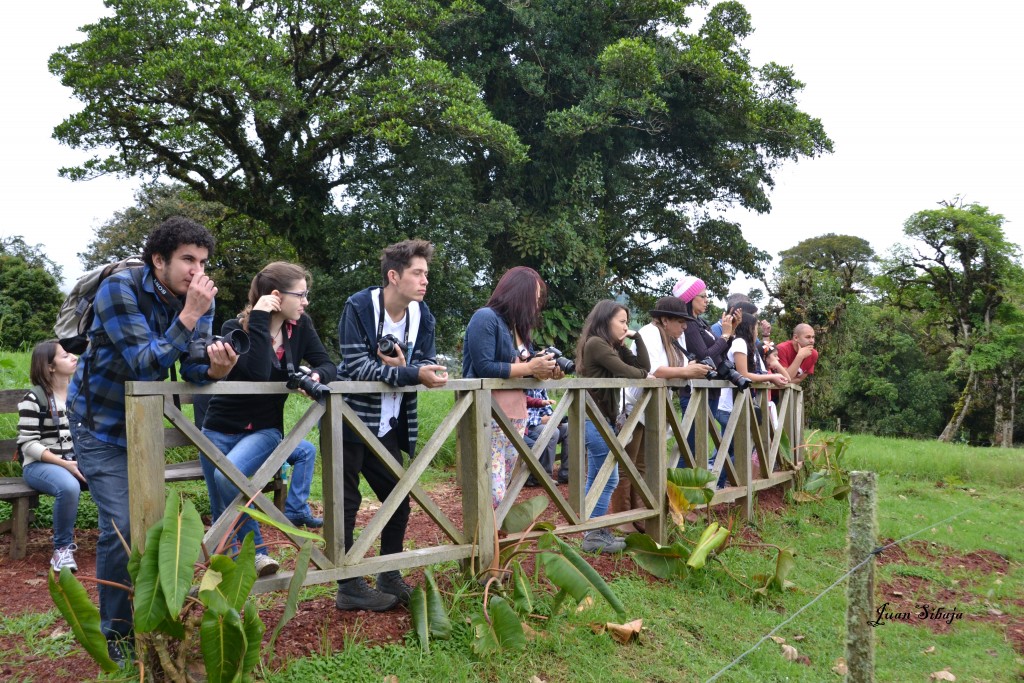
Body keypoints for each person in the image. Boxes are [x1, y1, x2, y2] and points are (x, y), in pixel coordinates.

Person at [66, 217, 238, 660]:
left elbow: (193, 368)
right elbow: (144, 363)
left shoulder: (199, 300)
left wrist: (216, 368)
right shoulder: (119, 290)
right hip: (98, 424)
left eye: (203, 262)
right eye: (187, 259)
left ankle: (151, 616)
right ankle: (117, 635)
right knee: (123, 525)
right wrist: (190, 315)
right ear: (159, 260)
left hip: (144, 428)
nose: (197, 271)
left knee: (149, 522)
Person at [200, 261, 337, 578]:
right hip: (217, 428)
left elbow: (327, 363)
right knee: (221, 509)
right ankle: (229, 577)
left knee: (227, 479)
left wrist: (316, 375)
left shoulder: (301, 327)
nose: (305, 302)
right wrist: (261, 318)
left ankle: (258, 554)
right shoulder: (234, 328)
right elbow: (258, 370)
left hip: (265, 430)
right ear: (276, 296)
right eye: (300, 295)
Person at [336, 240, 448, 611]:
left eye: (426, 273)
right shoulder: (359, 306)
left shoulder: (422, 313)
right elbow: (357, 368)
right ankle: (348, 584)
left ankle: (390, 573)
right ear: (394, 276)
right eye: (417, 273)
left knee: (398, 500)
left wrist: (414, 369)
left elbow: (427, 360)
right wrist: (409, 372)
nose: (425, 280)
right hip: (350, 419)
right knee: (346, 504)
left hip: (389, 423)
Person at [463, 267, 559, 508]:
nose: (536, 305)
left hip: (516, 416)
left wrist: (545, 370)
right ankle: (486, 532)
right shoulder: (486, 317)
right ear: (519, 293)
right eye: (534, 298)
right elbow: (484, 366)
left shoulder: (518, 328)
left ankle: (494, 532)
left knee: (503, 487)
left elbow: (523, 370)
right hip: (487, 414)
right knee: (492, 492)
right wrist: (529, 367)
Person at [614, 297, 708, 528]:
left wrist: (691, 369)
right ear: (665, 320)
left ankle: (640, 516)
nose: (684, 327)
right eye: (680, 322)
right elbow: (654, 369)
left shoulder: (671, 339)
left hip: (651, 408)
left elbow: (679, 368)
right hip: (633, 406)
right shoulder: (649, 333)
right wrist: (687, 371)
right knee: (627, 464)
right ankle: (622, 519)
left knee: (643, 464)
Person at [575, 300, 651, 553]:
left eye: (627, 322)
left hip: (601, 419)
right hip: (594, 419)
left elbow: (643, 367)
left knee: (598, 477)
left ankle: (592, 531)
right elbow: (632, 373)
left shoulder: (609, 345)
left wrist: (636, 338)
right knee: (609, 479)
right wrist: (644, 376)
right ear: (605, 320)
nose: (625, 326)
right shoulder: (596, 344)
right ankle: (594, 534)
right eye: (622, 321)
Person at [17, 341, 83, 572]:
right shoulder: (34, 398)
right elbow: (28, 444)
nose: (74, 357)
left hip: (76, 460)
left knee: (114, 476)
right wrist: (65, 464)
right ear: (50, 367)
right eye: (65, 355)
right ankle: (61, 550)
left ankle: (116, 540)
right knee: (69, 487)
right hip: (40, 465)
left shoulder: (80, 394)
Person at [712, 312, 788, 486]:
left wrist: (768, 376)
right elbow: (743, 374)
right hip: (728, 405)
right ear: (749, 328)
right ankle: (718, 482)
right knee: (742, 446)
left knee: (734, 447)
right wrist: (771, 377)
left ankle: (719, 483)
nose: (756, 332)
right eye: (755, 328)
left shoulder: (747, 345)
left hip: (735, 404)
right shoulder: (739, 343)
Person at [673, 276, 735, 443]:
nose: (707, 300)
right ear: (690, 299)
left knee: (701, 443)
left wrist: (730, 333)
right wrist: (725, 335)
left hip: (711, 389)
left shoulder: (701, 322)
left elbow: (720, 351)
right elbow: (705, 355)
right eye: (703, 296)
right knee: (692, 447)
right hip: (695, 390)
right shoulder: (689, 324)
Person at [523, 387, 569, 486]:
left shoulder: (540, 387)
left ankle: (567, 473)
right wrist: (541, 420)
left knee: (568, 428)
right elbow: (519, 417)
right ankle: (543, 476)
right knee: (552, 432)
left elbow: (547, 409)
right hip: (528, 427)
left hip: (542, 424)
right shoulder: (522, 386)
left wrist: (554, 419)